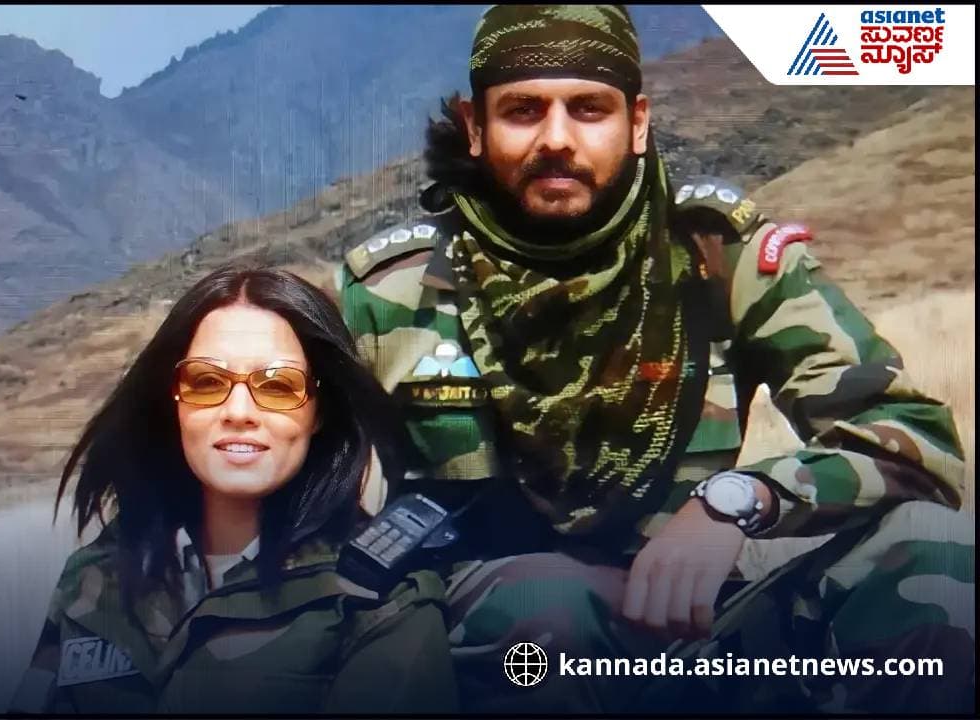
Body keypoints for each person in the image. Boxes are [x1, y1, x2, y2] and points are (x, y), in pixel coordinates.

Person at [336, 4, 973, 713]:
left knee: (934, 546)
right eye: (522, 111)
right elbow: (294, 499)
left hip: (702, 628)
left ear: (637, 122)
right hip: (505, 648)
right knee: (546, 608)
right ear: (475, 127)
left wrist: (743, 500)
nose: (557, 138)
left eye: (589, 109)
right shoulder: (389, 296)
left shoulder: (716, 257)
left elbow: (914, 439)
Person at [9, 262, 457, 714]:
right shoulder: (96, 575)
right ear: (174, 402)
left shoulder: (377, 599)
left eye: (278, 386)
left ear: (320, 412)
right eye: (207, 382)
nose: (238, 411)